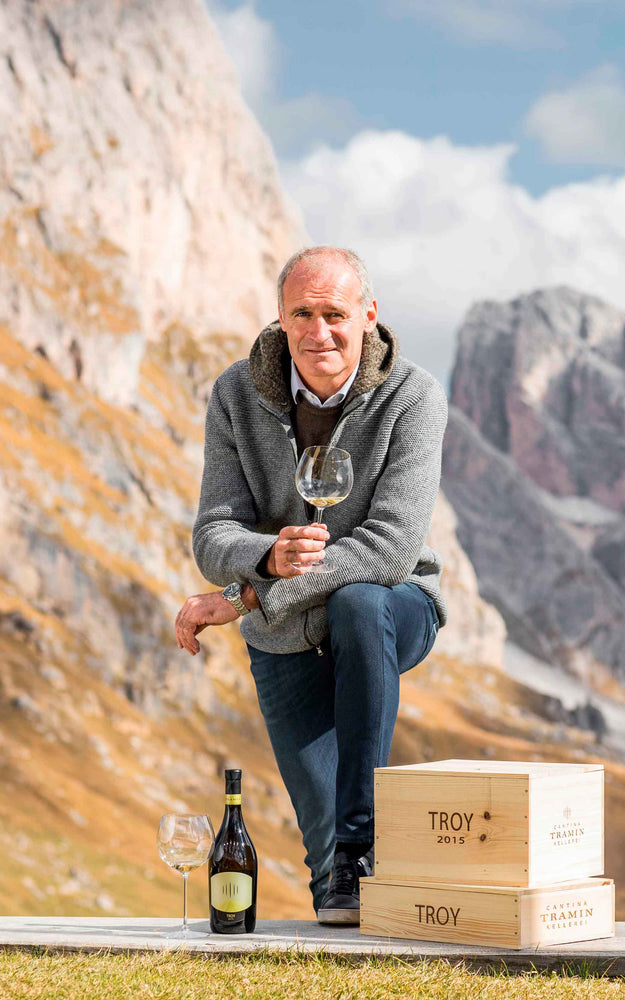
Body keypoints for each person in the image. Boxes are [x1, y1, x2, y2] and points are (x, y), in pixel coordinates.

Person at [173, 245, 448, 924]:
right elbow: (213, 537)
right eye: (304, 313)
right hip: (284, 626)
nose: (320, 331)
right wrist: (267, 557)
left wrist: (248, 597)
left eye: (335, 314)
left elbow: (388, 549)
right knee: (332, 882)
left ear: (368, 316)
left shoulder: (413, 396)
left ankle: (364, 844)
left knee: (359, 603)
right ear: (280, 318)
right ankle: (346, 883)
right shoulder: (235, 394)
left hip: (392, 605)